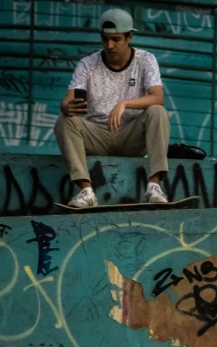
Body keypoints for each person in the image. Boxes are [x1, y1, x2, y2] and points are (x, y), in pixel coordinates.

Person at [54, 8, 170, 208]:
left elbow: (157, 98)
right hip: (97, 135)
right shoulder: (87, 64)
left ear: (129, 37)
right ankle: (86, 191)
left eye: (116, 39)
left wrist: (124, 103)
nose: (110, 45)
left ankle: (154, 186)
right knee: (64, 121)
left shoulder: (145, 60)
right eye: (105, 39)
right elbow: (67, 101)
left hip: (131, 136)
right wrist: (66, 106)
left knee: (157, 112)